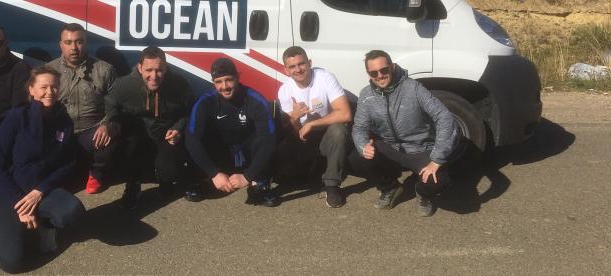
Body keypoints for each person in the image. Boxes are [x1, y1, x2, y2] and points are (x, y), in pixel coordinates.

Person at [0, 66, 85, 273]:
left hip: (41, 191)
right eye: (43, 87)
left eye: (54, 87)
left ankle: (45, 228)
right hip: (7, 193)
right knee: (11, 263)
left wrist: (40, 190)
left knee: (72, 211)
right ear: (31, 89)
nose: (50, 92)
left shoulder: (64, 121)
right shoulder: (16, 117)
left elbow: (68, 164)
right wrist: (18, 203)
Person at [351, 50, 460, 217]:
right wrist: (362, 145)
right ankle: (390, 188)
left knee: (438, 181)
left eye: (384, 70)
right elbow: (359, 127)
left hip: (420, 148)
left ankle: (422, 193)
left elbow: (444, 117)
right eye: (374, 73)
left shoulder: (413, 87)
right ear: (368, 74)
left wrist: (437, 159)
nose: (380, 75)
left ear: (392, 67)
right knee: (356, 156)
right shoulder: (366, 95)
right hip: (390, 147)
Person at [104, 46, 195, 210]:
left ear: (166, 68)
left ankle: (167, 180)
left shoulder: (180, 84)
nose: (154, 76)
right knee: (125, 146)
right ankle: (132, 185)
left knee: (169, 169)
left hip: (165, 135)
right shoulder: (124, 85)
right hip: (138, 135)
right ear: (139, 68)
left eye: (159, 70)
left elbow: (190, 112)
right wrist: (112, 123)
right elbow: (111, 104)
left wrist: (178, 128)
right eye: (149, 70)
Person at [185, 58, 280, 207]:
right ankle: (204, 180)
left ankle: (259, 182)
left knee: (263, 138)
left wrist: (248, 176)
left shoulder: (254, 99)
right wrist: (213, 173)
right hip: (223, 151)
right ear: (213, 82)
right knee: (197, 136)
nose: (224, 86)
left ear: (238, 77)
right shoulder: (205, 101)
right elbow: (191, 139)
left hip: (248, 153)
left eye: (229, 80)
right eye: (218, 82)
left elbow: (270, 140)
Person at [273, 46, 353, 208]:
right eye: (292, 66)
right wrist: (295, 117)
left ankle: (332, 185)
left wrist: (311, 123)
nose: (298, 69)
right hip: (305, 138)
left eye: (301, 64)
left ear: (309, 63)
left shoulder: (325, 78)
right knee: (283, 164)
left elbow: (345, 114)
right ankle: (310, 170)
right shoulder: (284, 90)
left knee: (339, 130)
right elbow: (295, 132)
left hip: (328, 134)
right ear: (286, 70)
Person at [44, 23, 117, 194]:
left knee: (110, 134)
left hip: (91, 131)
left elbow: (116, 104)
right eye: (68, 43)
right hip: (61, 132)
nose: (74, 48)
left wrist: (106, 124)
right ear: (60, 45)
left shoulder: (104, 70)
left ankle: (97, 173)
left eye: (79, 42)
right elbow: (38, 105)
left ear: (86, 43)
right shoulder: (48, 71)